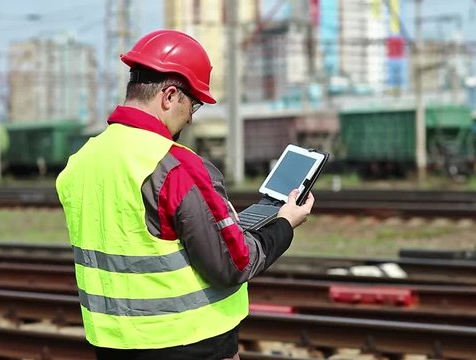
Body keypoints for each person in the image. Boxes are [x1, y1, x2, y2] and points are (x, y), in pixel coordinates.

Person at [56, 29, 314, 360]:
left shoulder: (81, 162)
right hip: (190, 342)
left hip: (111, 342)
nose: (191, 117)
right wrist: (284, 224)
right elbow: (234, 264)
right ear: (169, 96)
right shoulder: (178, 167)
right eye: (193, 104)